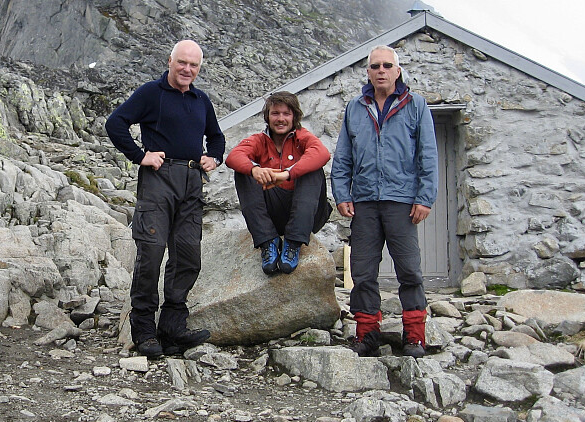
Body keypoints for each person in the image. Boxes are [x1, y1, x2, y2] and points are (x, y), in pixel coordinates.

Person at [105, 40, 226, 359]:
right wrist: (139, 155)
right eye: (182, 62)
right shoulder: (151, 93)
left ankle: (173, 328)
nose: (187, 69)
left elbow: (217, 137)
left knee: (187, 254)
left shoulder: (201, 100)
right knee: (151, 253)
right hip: (159, 180)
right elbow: (115, 123)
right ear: (170, 61)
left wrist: (214, 157)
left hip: (192, 182)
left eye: (194, 65)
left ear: (199, 68)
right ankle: (144, 330)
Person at [330, 45, 438, 358]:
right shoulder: (355, 107)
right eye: (375, 66)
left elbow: (428, 155)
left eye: (387, 66)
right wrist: (342, 194)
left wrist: (425, 198)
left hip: (402, 201)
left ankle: (414, 336)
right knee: (363, 271)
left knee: (409, 270)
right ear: (368, 72)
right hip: (364, 202)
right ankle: (367, 335)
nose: (381, 71)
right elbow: (343, 156)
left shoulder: (416, 105)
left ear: (397, 71)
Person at [226, 91, 332, 275]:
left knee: (313, 170)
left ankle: (293, 243)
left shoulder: (303, 137)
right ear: (268, 117)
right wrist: (255, 170)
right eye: (275, 113)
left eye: (286, 114)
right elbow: (233, 157)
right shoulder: (259, 140)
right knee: (244, 172)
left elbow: (322, 153)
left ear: (294, 117)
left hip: (307, 214)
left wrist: (287, 174)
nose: (280, 119)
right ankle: (268, 242)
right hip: (273, 213)